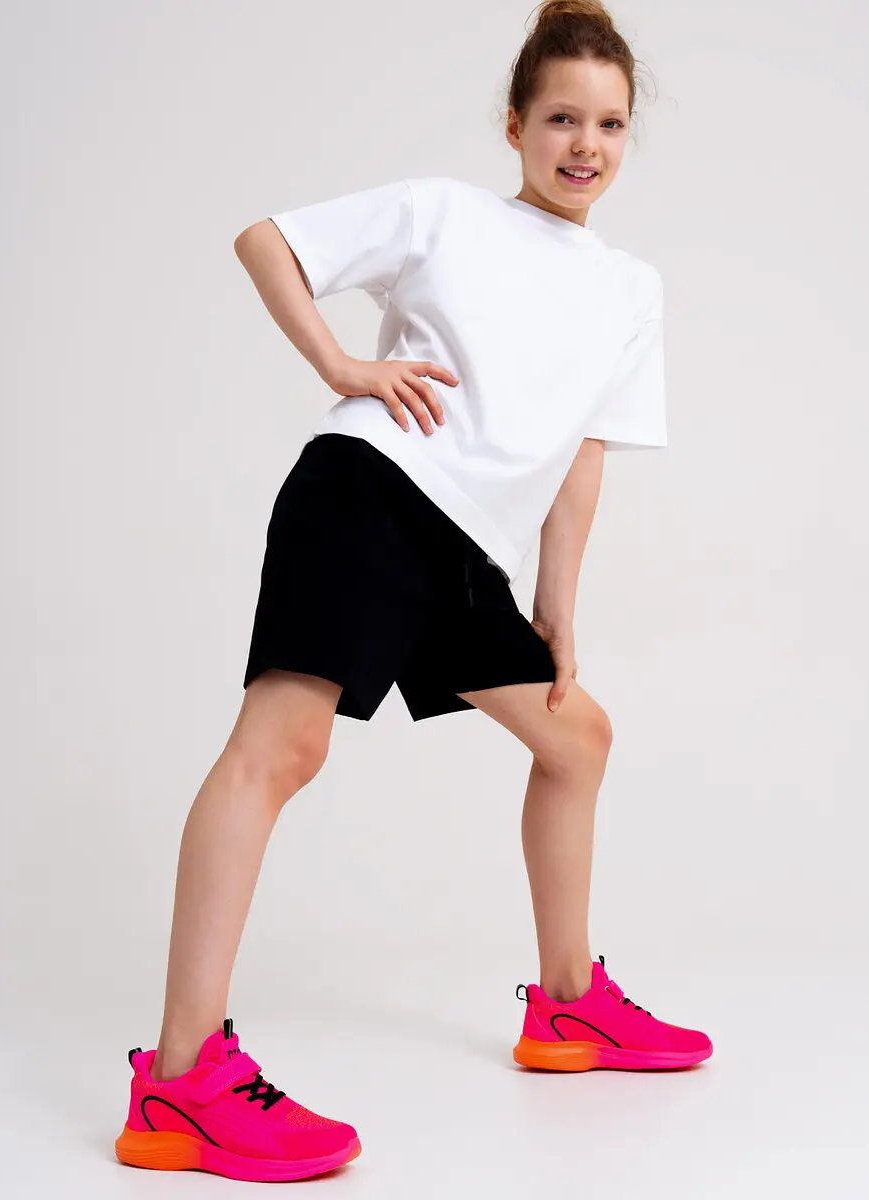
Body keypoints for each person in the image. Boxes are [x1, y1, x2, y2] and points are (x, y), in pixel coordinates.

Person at [115, 0, 712, 1184]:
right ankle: (180, 1078)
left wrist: (558, 604)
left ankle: (569, 1005)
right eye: (561, 119)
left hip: (465, 552)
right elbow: (266, 241)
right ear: (515, 126)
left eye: (608, 124)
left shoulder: (631, 289)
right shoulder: (446, 213)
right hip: (370, 493)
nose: (584, 145)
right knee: (281, 749)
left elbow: (582, 454)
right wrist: (341, 363)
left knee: (577, 737)